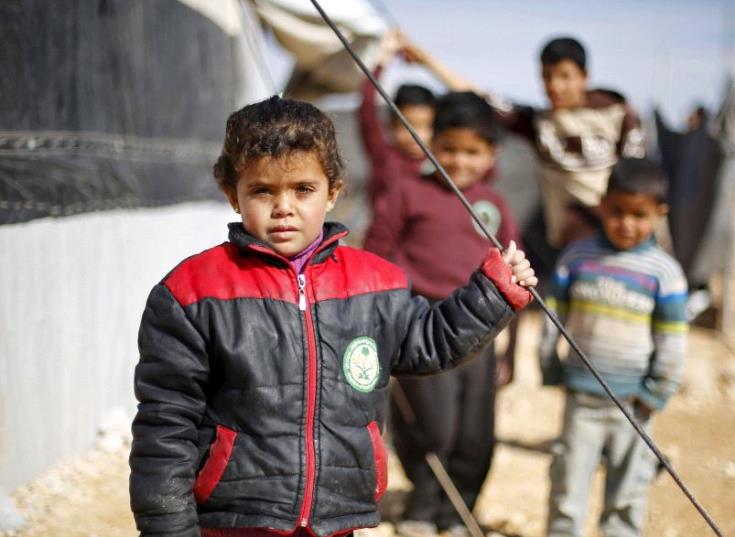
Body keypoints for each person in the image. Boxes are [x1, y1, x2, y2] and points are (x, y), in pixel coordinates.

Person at [128, 96, 537, 537]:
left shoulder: (374, 284)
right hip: (232, 523)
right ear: (233, 193)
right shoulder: (191, 292)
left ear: (334, 191)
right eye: (262, 190)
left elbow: (430, 341)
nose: (283, 206)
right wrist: (168, 529)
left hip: (336, 521)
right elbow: (165, 428)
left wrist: (493, 293)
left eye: (303, 189)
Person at [364, 92, 521, 537]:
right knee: (434, 428)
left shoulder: (494, 205)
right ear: (431, 142)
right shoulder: (408, 194)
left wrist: (510, 349)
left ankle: (459, 514)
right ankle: (423, 507)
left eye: (472, 151)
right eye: (449, 148)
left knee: (476, 436)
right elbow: (375, 263)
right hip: (422, 327)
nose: (460, 160)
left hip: (482, 332)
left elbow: (515, 279)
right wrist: (382, 332)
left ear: (491, 154)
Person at [540, 158, 688, 537]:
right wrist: (548, 363)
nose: (626, 223)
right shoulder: (577, 258)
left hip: (635, 407)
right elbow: (552, 317)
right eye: (617, 211)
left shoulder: (664, 273)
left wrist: (656, 393)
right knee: (567, 488)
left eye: (640, 215)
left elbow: (672, 341)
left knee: (627, 494)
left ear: (659, 214)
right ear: (602, 205)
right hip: (581, 402)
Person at [497, 36, 645, 253]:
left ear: (584, 76)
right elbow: (483, 100)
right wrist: (430, 63)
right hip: (571, 240)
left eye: (565, 76)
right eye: (547, 76)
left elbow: (637, 178)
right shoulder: (540, 125)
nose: (555, 86)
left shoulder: (617, 115)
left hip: (620, 237)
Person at [359, 29, 473, 204]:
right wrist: (383, 59)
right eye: (407, 126)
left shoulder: (446, 163)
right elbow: (367, 108)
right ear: (391, 125)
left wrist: (425, 61)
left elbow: (471, 102)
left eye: (425, 126)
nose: (416, 136)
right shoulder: (384, 156)